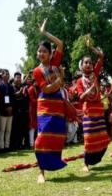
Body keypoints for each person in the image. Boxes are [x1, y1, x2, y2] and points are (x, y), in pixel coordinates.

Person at [33, 19, 66, 183]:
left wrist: (45, 32)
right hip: (45, 105)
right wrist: (59, 81)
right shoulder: (37, 71)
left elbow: (60, 43)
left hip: (58, 104)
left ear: (50, 53)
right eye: (39, 51)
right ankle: (41, 171)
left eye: (44, 51)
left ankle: (53, 163)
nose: (41, 54)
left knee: (57, 135)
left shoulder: (55, 63)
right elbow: (45, 89)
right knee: (42, 136)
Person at [76, 38, 110, 171]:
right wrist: (89, 90)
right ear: (82, 65)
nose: (89, 65)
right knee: (89, 139)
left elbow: (101, 56)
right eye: (86, 63)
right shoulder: (79, 81)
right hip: (88, 112)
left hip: (99, 111)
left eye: (90, 62)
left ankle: (95, 160)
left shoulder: (95, 74)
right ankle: (85, 163)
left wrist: (92, 47)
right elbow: (81, 98)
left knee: (103, 139)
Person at [0, 69, 14, 150]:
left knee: (8, 130)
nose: (7, 75)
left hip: (10, 111)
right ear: (2, 75)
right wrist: (5, 107)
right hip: (3, 110)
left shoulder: (11, 86)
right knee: (2, 130)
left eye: (8, 74)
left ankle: (7, 146)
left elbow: (13, 98)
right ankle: (1, 147)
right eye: (5, 74)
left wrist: (11, 107)